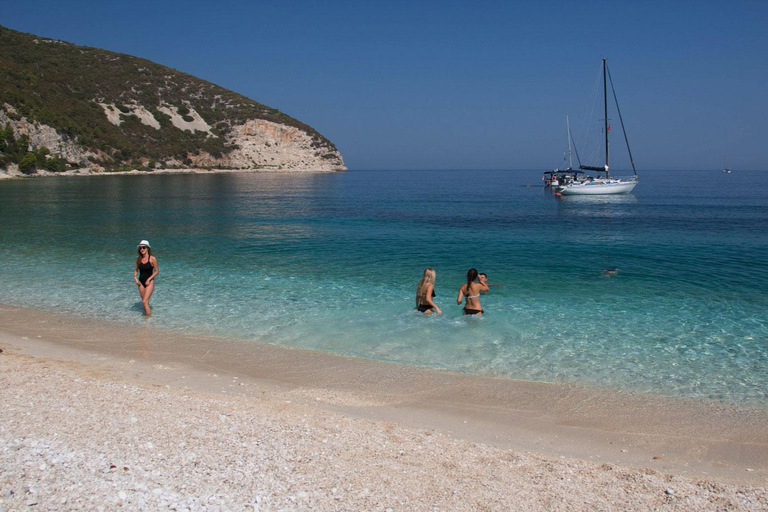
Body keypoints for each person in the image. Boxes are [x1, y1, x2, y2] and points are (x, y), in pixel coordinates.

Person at [133, 240, 158, 316]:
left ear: (147, 248)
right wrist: (135, 278)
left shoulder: (152, 258)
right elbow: (136, 270)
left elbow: (156, 271)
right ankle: (145, 319)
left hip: (149, 282)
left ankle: (148, 321)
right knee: (145, 301)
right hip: (140, 282)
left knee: (144, 301)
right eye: (140, 248)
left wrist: (149, 279)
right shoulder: (138, 259)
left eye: (143, 247)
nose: (142, 249)